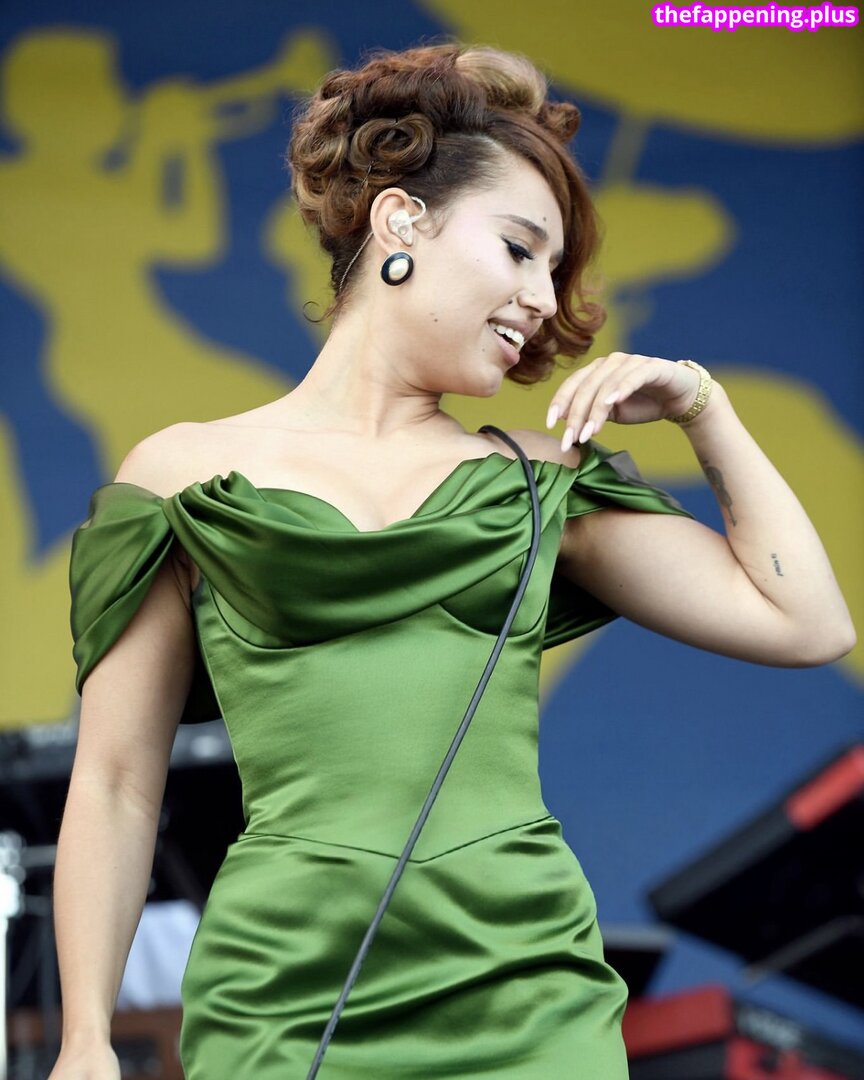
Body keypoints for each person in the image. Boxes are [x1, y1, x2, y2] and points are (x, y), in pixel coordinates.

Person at [49, 42, 854, 1080]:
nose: (542, 297)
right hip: (282, 996)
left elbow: (806, 622)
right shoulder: (181, 473)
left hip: (525, 999)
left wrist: (705, 408)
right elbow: (117, 781)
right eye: (520, 248)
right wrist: (84, 1039)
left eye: (553, 271)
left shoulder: (537, 483)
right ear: (400, 220)